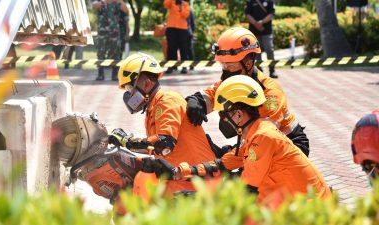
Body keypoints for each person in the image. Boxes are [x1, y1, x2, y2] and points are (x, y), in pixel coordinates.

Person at [155, 75, 331, 202]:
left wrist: (200, 195)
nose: (222, 120)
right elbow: (222, 164)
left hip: (308, 212)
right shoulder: (257, 134)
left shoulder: (262, 137)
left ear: (238, 115)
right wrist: (181, 171)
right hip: (294, 204)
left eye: (223, 115)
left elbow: (247, 189)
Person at [186, 27, 310, 157]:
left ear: (248, 62)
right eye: (223, 65)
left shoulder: (270, 92)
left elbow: (263, 138)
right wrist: (195, 101)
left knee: (247, 172)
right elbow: (208, 95)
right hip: (259, 144)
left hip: (290, 145)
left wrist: (228, 154)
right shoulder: (232, 82)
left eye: (231, 65)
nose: (226, 70)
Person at [109, 52, 217, 195]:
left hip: (198, 182)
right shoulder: (153, 108)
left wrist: (128, 141)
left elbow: (164, 144)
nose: (128, 95)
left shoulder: (167, 101)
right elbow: (156, 149)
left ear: (147, 83)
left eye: (130, 88)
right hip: (181, 179)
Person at [93, 0, 129, 81]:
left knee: (116, 52)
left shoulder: (117, 2)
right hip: (102, 31)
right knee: (100, 52)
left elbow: (126, 10)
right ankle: (100, 74)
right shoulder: (101, 2)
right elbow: (94, 6)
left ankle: (115, 75)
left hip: (114, 31)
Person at [245, 0, 278, 78]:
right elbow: (247, 14)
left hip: (266, 30)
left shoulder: (270, 1)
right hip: (254, 31)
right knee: (256, 52)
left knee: (269, 49)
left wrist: (261, 22)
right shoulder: (250, 1)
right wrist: (256, 24)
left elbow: (271, 14)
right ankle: (259, 72)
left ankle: (272, 69)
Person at [351, 109, 379, 183]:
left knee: (373, 176)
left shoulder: (364, 120)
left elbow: (353, 143)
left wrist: (357, 157)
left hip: (364, 156)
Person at [164, 0, 190, 74]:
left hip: (182, 29)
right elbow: (166, 4)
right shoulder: (172, 2)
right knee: (171, 47)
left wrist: (181, 6)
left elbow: (185, 15)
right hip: (171, 27)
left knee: (183, 48)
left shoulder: (186, 4)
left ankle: (184, 67)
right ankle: (171, 66)